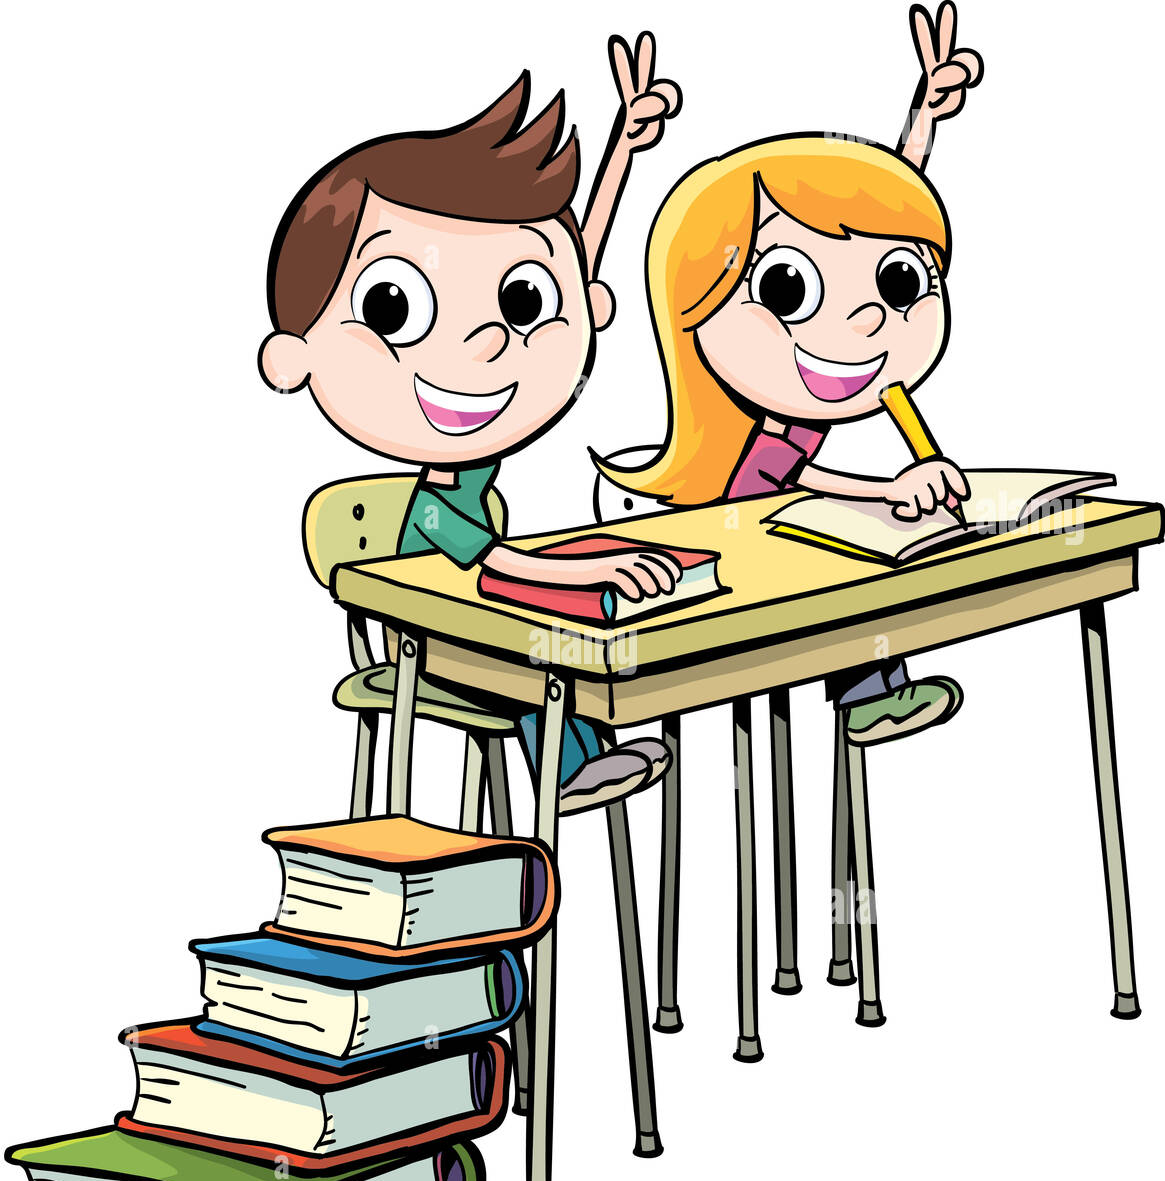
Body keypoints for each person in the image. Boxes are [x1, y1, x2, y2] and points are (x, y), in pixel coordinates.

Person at [259, 36, 684, 808]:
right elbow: (497, 569)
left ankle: (582, 755)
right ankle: (566, 773)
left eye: (518, 306)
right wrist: (588, 570)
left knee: (557, 646)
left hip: (476, 617)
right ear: (294, 359)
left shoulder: (475, 469)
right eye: (394, 308)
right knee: (540, 655)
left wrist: (622, 144)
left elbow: (570, 262)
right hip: (434, 642)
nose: (484, 343)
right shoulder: (429, 507)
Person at [598, 3, 984, 744]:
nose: (863, 320)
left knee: (860, 572)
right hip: (712, 544)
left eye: (900, 284)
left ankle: (870, 693)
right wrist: (882, 491)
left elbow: (884, 209)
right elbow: (774, 484)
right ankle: (867, 694)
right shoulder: (750, 419)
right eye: (784, 290)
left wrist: (922, 118)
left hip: (763, 536)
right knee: (848, 578)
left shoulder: (800, 404)